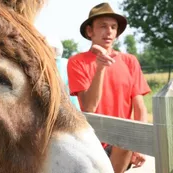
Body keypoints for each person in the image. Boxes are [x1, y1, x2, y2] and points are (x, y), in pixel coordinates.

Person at [67, 3, 151, 173]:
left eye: (113, 27)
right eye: (103, 26)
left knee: (125, 138)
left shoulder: (130, 61)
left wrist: (139, 145)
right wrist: (100, 68)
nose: (109, 31)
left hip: (122, 146)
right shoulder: (77, 62)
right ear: (90, 31)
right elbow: (89, 107)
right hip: (92, 144)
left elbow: (140, 107)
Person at [45, 35, 81, 110]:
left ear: (55, 50)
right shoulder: (40, 65)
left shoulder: (64, 63)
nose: (46, 50)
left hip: (69, 106)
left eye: (49, 48)